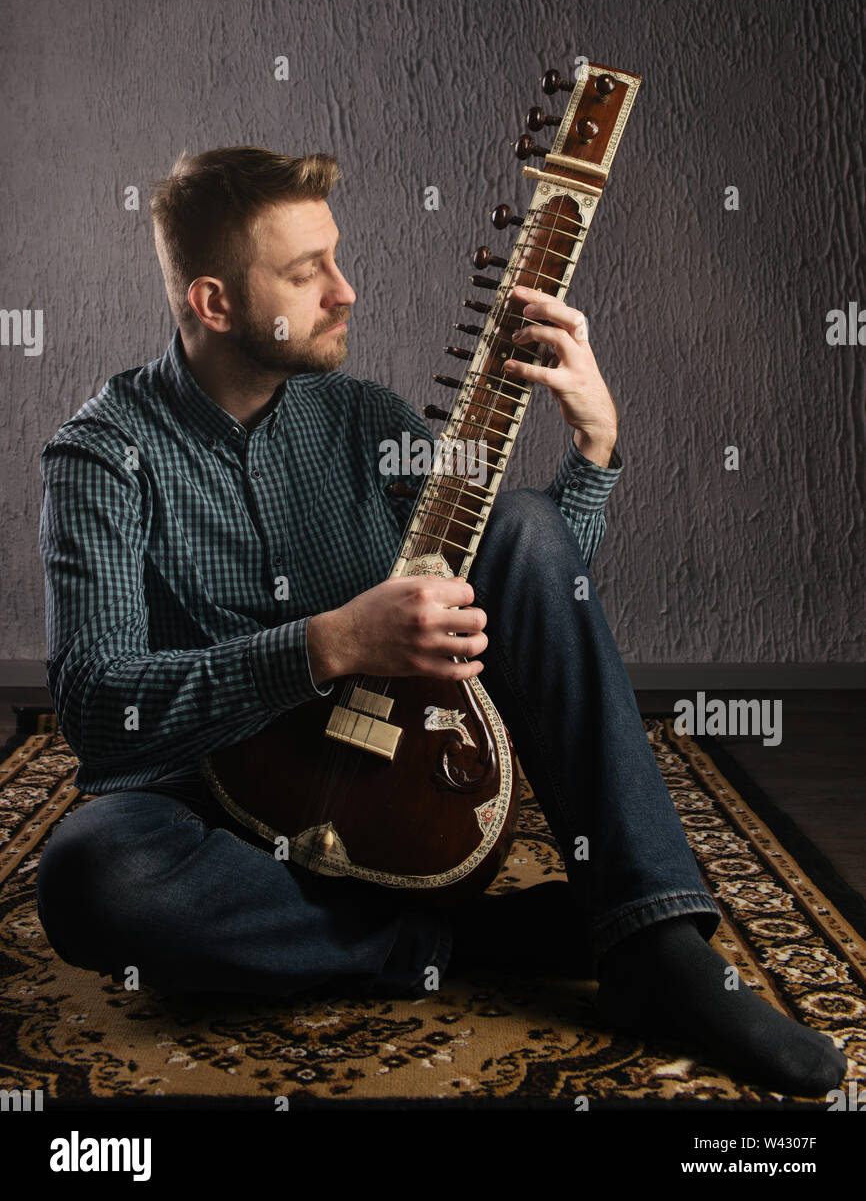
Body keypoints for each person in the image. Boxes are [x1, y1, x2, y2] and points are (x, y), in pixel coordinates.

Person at [36, 146, 846, 1099]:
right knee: (92, 875)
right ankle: (469, 940)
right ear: (214, 303)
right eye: (307, 272)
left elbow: (529, 599)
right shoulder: (102, 453)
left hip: (393, 789)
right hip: (216, 809)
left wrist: (594, 447)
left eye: (336, 258)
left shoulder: (361, 420)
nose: (345, 292)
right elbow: (96, 709)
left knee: (525, 520)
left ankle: (657, 939)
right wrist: (330, 642)